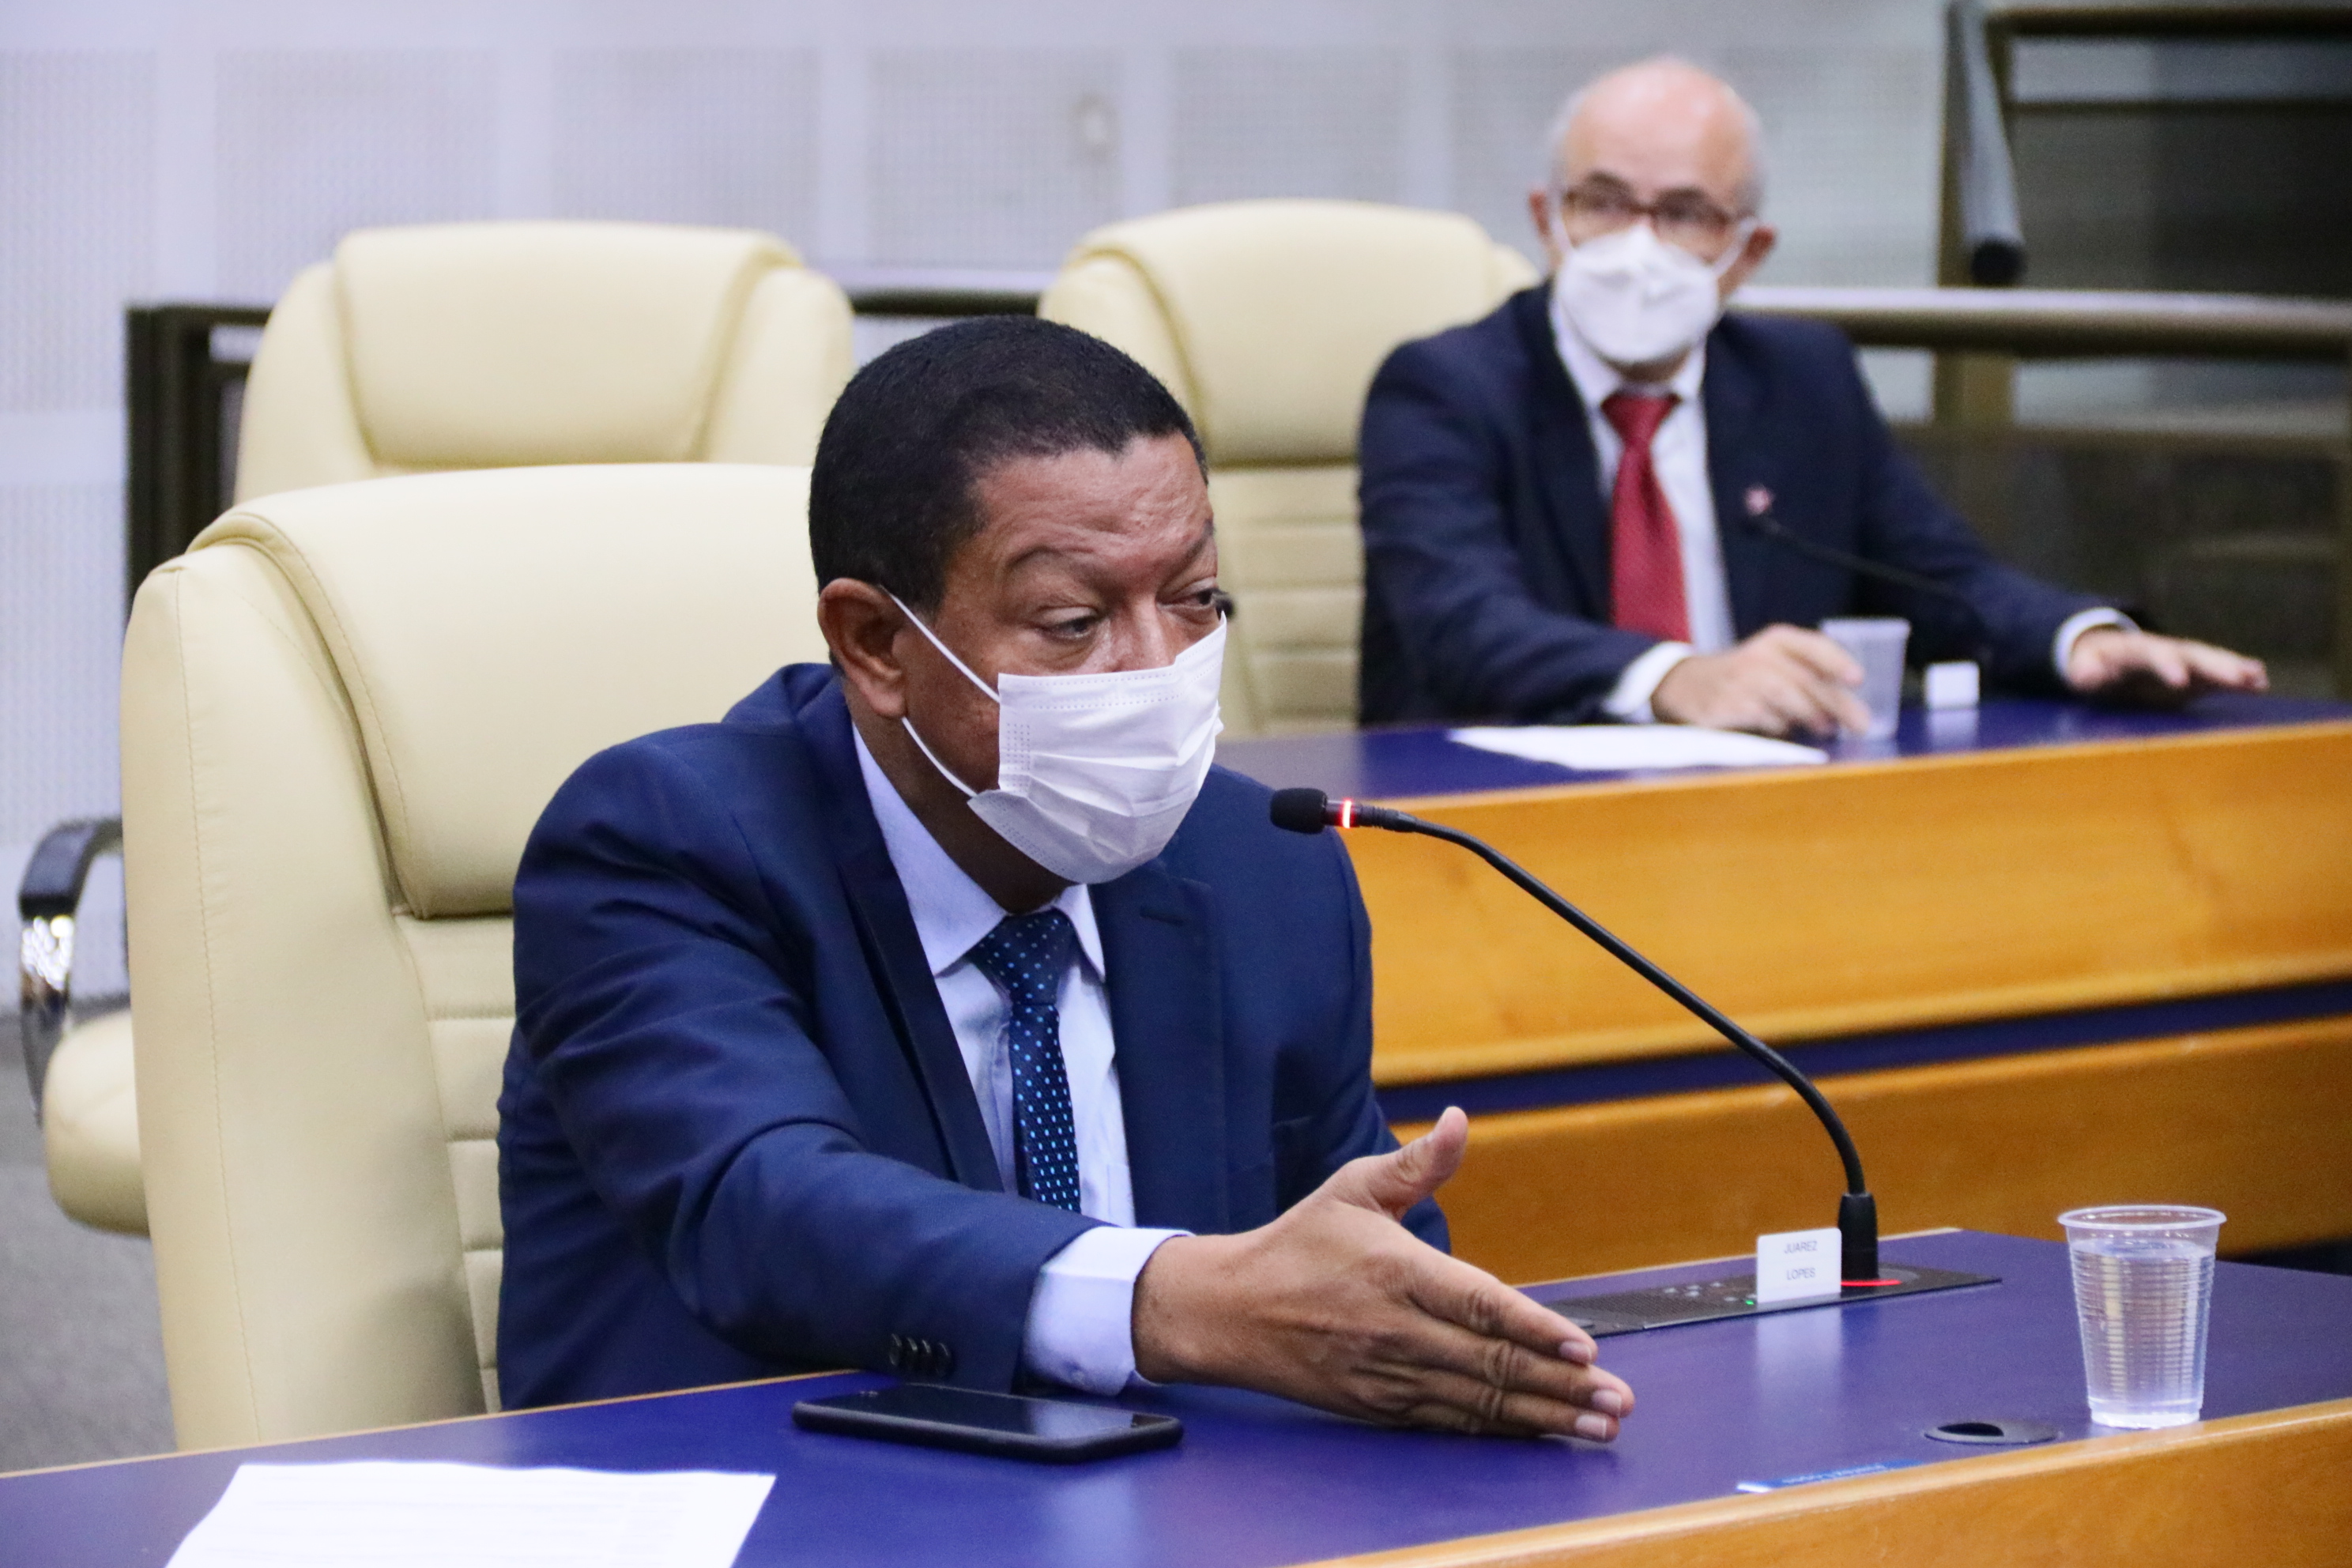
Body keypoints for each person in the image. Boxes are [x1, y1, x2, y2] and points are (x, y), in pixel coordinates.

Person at [498, 317, 1634, 1442]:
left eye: (1195, 599)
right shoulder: (664, 845)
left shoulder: (1265, 869)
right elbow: (768, 1209)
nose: (1157, 670)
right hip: (775, 1497)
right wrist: (1166, 1301)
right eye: (1074, 621)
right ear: (876, 644)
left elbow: (1351, 1295)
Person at [1357, 57, 2267, 736]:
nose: (1637, 245)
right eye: (1602, 202)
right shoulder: (1443, 388)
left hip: (1760, 804)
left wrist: (2082, 639)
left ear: (1747, 251)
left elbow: (1940, 578)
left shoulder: (1803, 378)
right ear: (1546, 220)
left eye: (1684, 214)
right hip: (1498, 814)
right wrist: (1677, 677)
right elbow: (1464, 625)